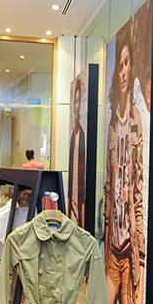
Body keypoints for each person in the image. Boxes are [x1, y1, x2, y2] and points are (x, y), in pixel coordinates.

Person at [104, 28, 146, 304]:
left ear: (132, 69)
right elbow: (109, 190)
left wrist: (140, 292)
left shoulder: (137, 120)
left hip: (130, 251)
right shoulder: (110, 125)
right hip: (111, 251)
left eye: (127, 63)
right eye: (119, 65)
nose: (123, 71)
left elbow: (139, 196)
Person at [67, 78, 86, 226]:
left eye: (79, 101)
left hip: (78, 200)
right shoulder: (72, 135)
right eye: (76, 101)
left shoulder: (82, 134)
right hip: (71, 199)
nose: (77, 105)